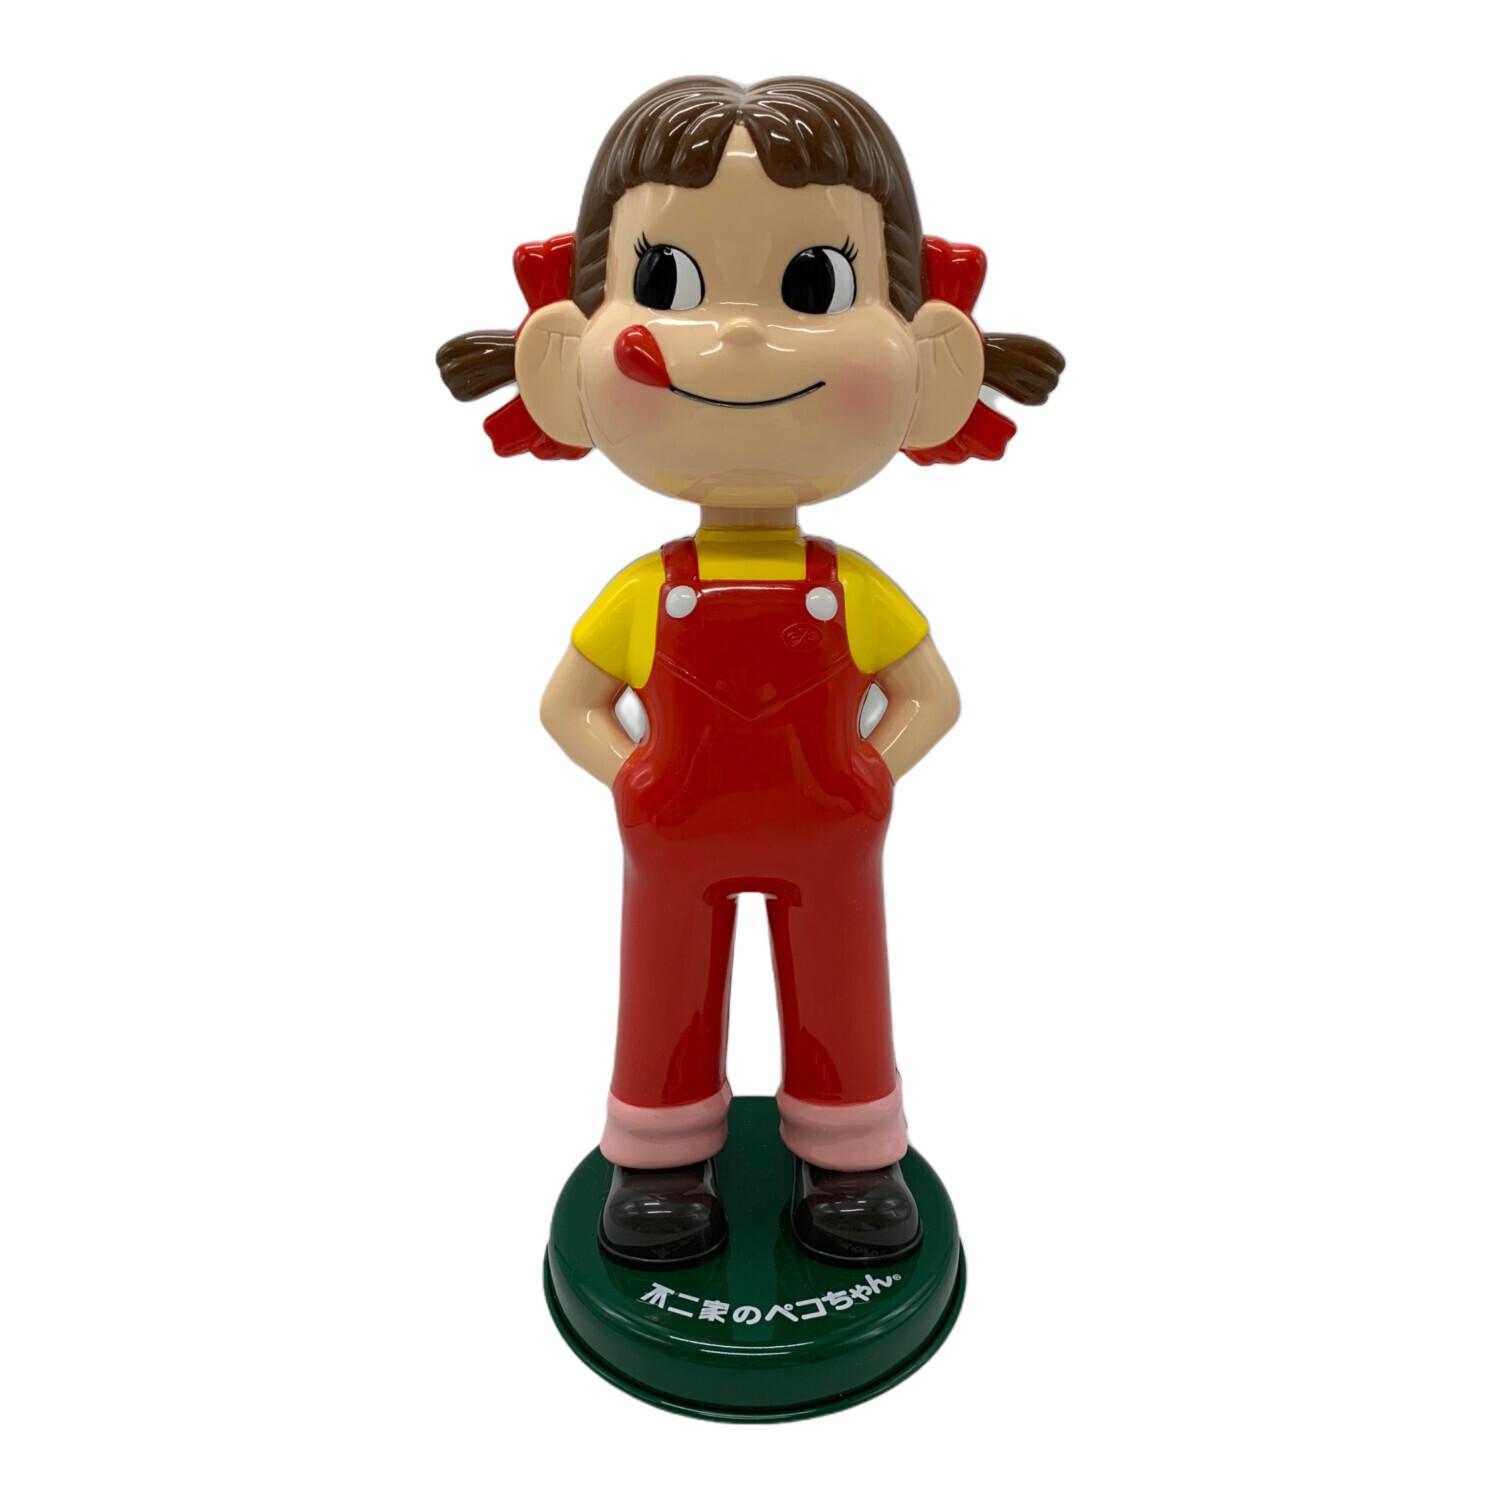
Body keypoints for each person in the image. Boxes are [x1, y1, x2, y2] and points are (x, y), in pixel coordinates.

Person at [437, 77, 1063, 1268]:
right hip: (675, 832)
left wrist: (870, 772)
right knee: (663, 978)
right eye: (668, 283)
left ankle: (853, 1155)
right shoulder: (649, 592)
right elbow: (567, 704)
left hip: (830, 830)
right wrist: (631, 776)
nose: (734, 337)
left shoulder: (851, 589)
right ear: (561, 353)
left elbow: (933, 694)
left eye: (813, 286)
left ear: (932, 356)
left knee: (843, 979)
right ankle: (660, 1158)